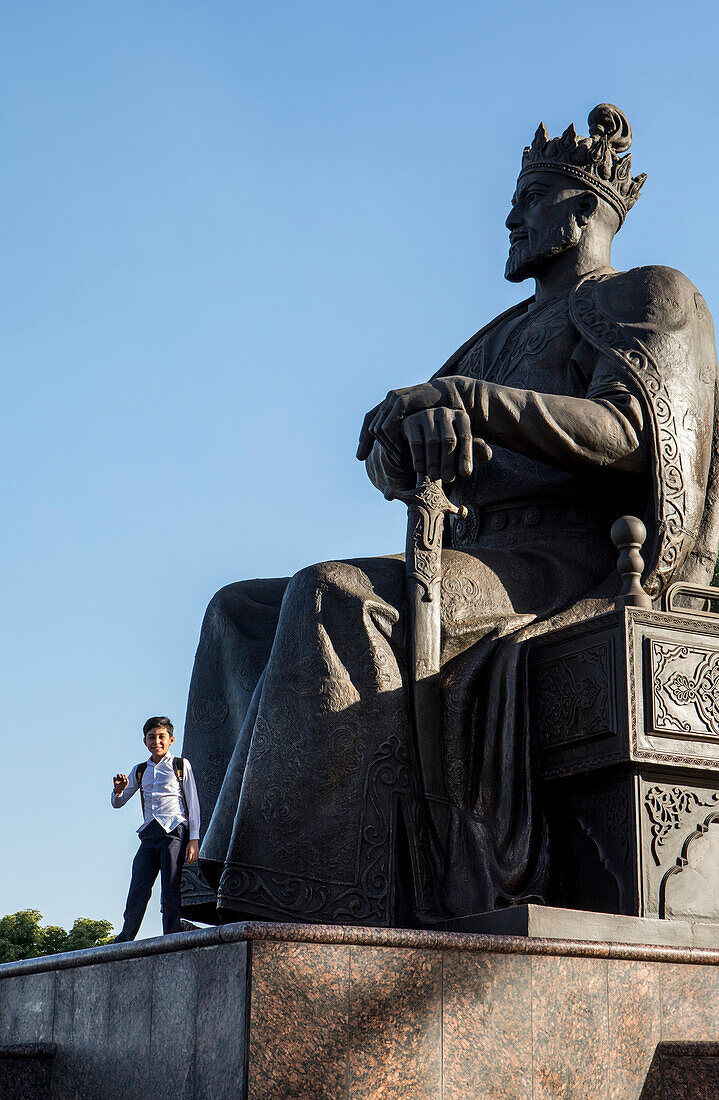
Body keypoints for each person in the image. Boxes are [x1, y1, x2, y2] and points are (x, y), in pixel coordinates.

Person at [181, 104, 719, 928]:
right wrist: (403, 442)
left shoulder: (647, 295)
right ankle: (224, 877)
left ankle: (318, 905)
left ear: (580, 211)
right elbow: (404, 459)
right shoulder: (494, 334)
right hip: (468, 554)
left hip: (564, 560)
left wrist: (472, 404)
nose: (508, 217)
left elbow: (630, 433)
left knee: (334, 596)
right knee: (237, 615)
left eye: (529, 199)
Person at [112, 716, 200, 940]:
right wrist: (118, 790)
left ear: (171, 739)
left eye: (161, 737)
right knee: (138, 886)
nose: (157, 741)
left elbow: (193, 802)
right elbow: (118, 803)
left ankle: (170, 935)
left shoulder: (180, 765)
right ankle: (126, 935)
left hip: (174, 831)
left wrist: (194, 839)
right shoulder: (140, 770)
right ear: (145, 741)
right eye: (152, 737)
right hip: (149, 833)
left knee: (170, 887)